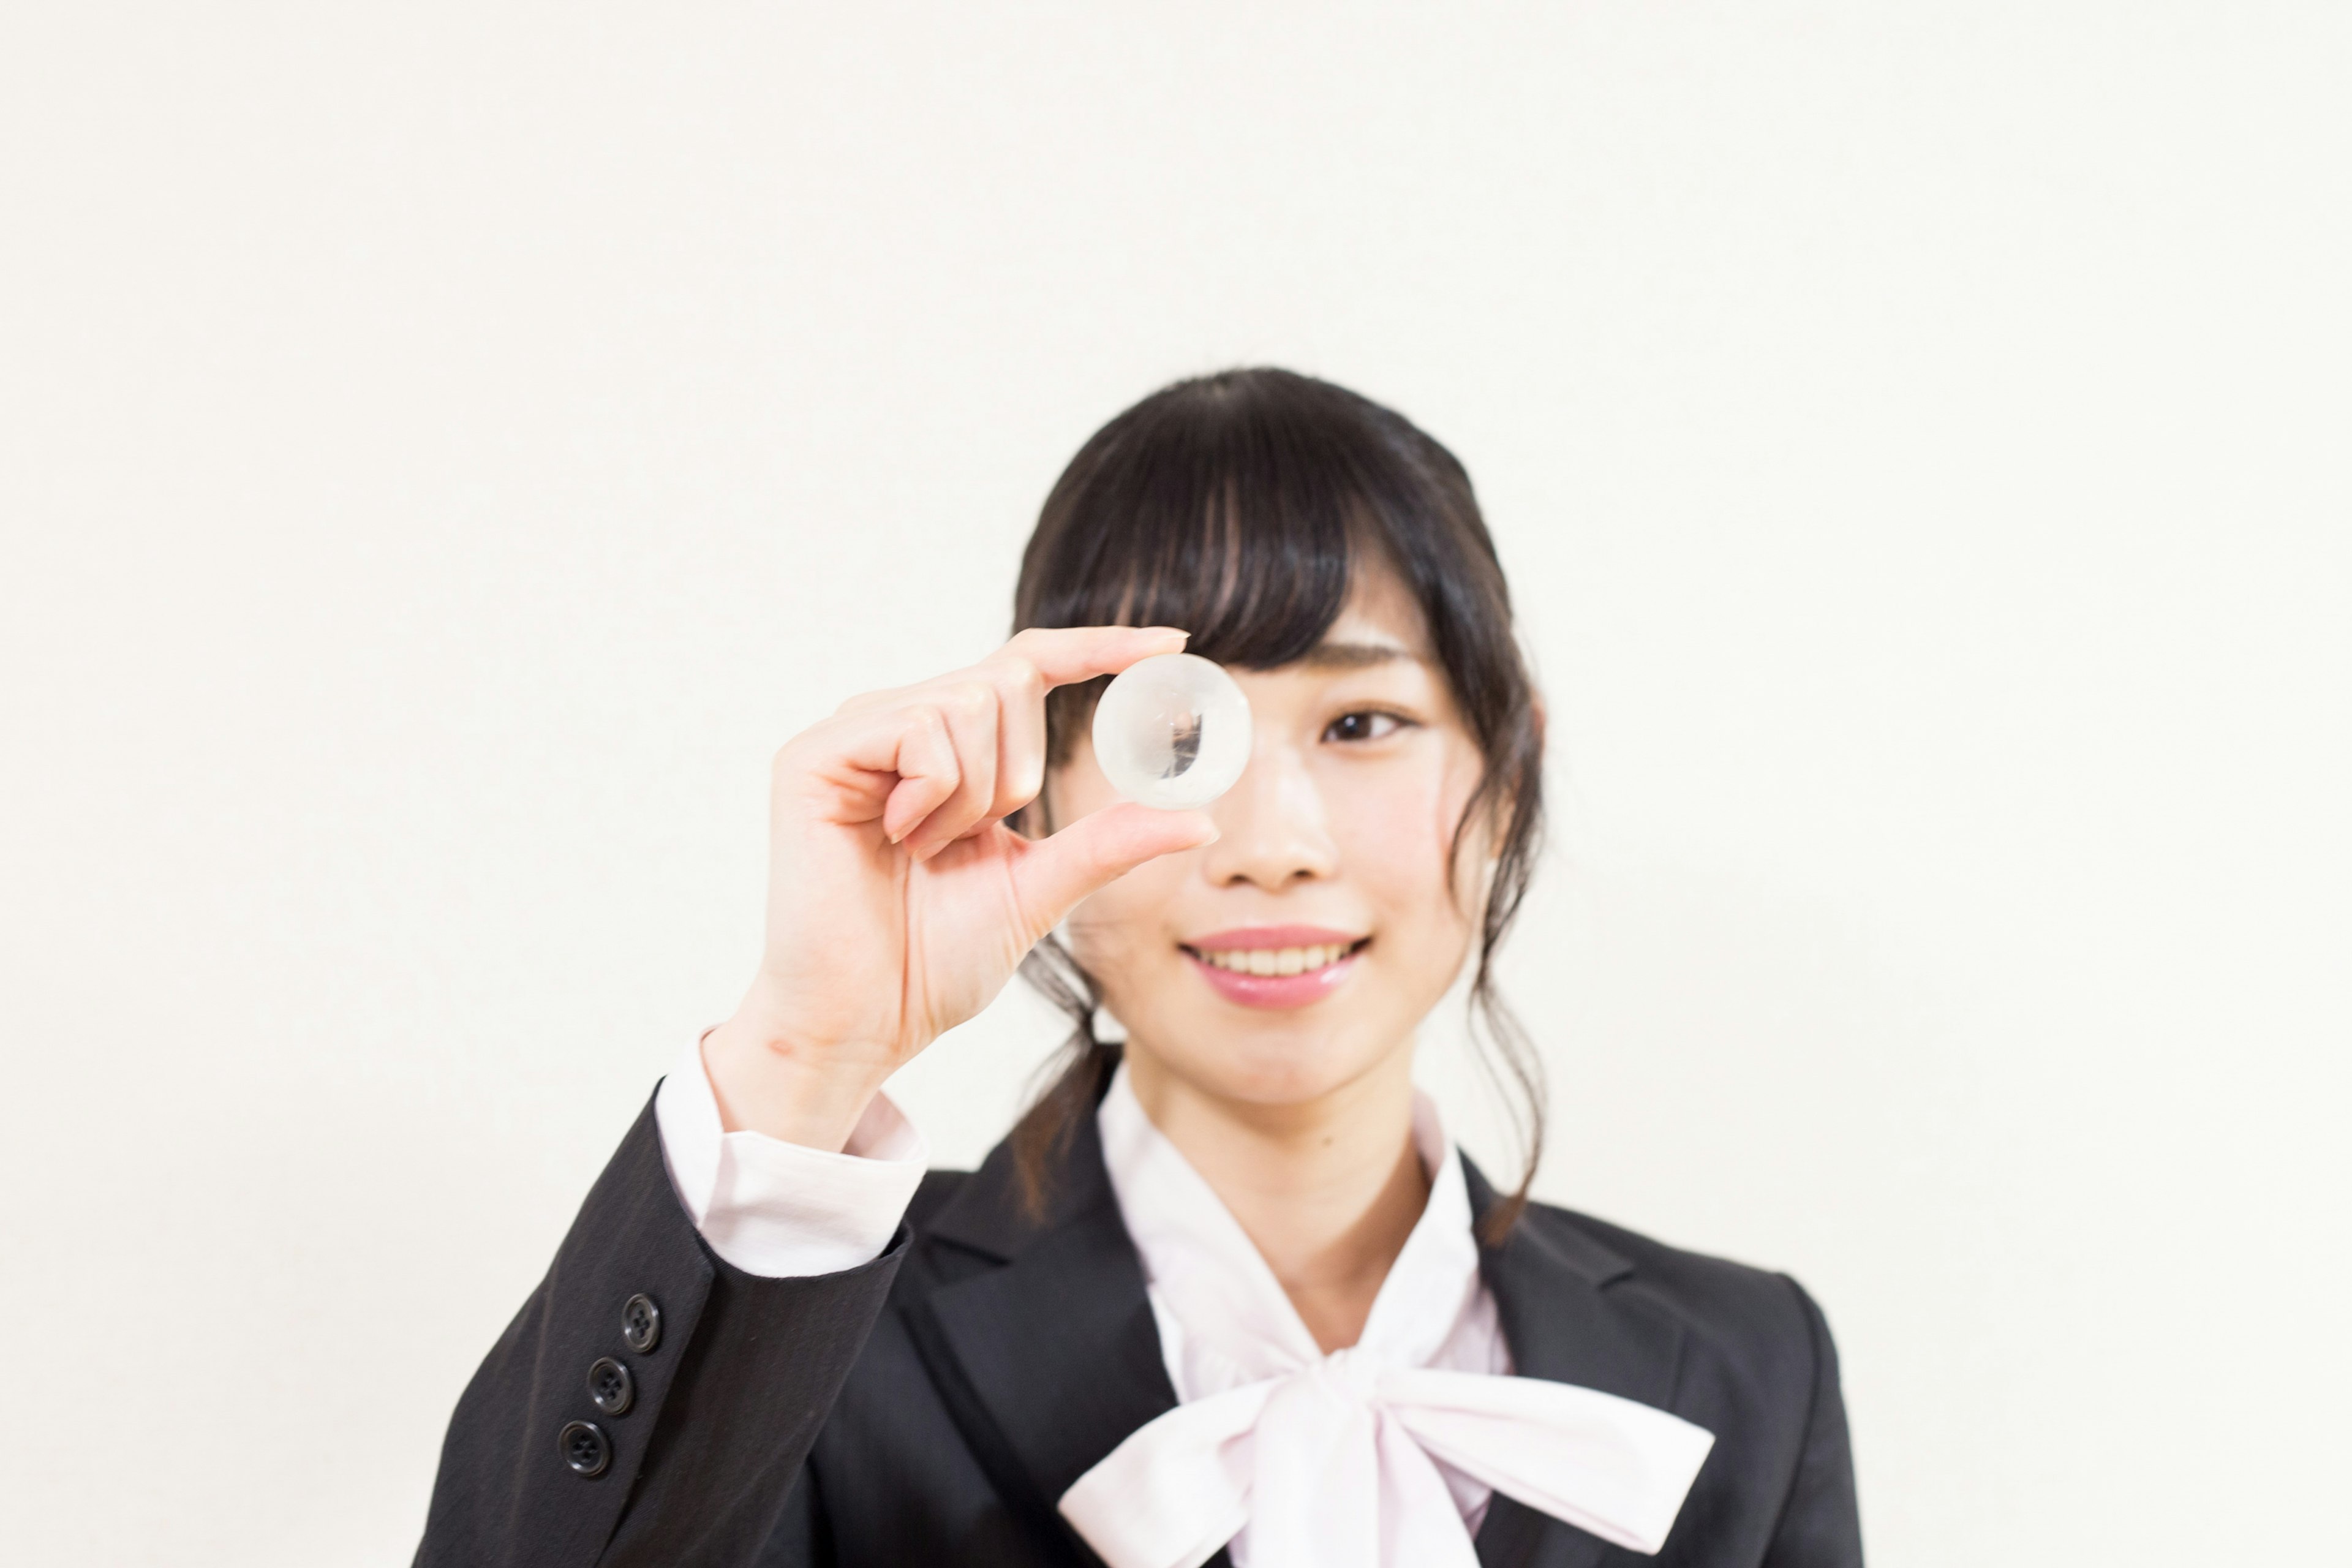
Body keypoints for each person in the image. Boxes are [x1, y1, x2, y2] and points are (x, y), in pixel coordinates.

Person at [413, 369, 1863, 1568]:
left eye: (1363, 723)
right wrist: (804, 1053)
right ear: (1034, 788)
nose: (1269, 843)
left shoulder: (1749, 1365)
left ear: (1508, 762)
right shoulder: (817, 1325)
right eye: (1179, 738)